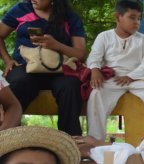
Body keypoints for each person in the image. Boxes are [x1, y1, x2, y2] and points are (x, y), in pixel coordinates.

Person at [86, 1, 144, 142]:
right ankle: (95, 141)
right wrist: (95, 70)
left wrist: (131, 76)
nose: (136, 22)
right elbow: (94, 57)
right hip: (113, 80)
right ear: (118, 17)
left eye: (139, 18)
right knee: (96, 93)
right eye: (132, 17)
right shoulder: (104, 37)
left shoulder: (143, 40)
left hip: (138, 79)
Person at [0, 0, 85, 135]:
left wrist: (56, 45)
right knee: (18, 83)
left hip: (59, 70)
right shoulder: (21, 9)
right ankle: (8, 138)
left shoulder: (69, 16)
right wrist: (7, 60)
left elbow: (80, 53)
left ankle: (70, 142)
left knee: (70, 86)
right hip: (26, 67)